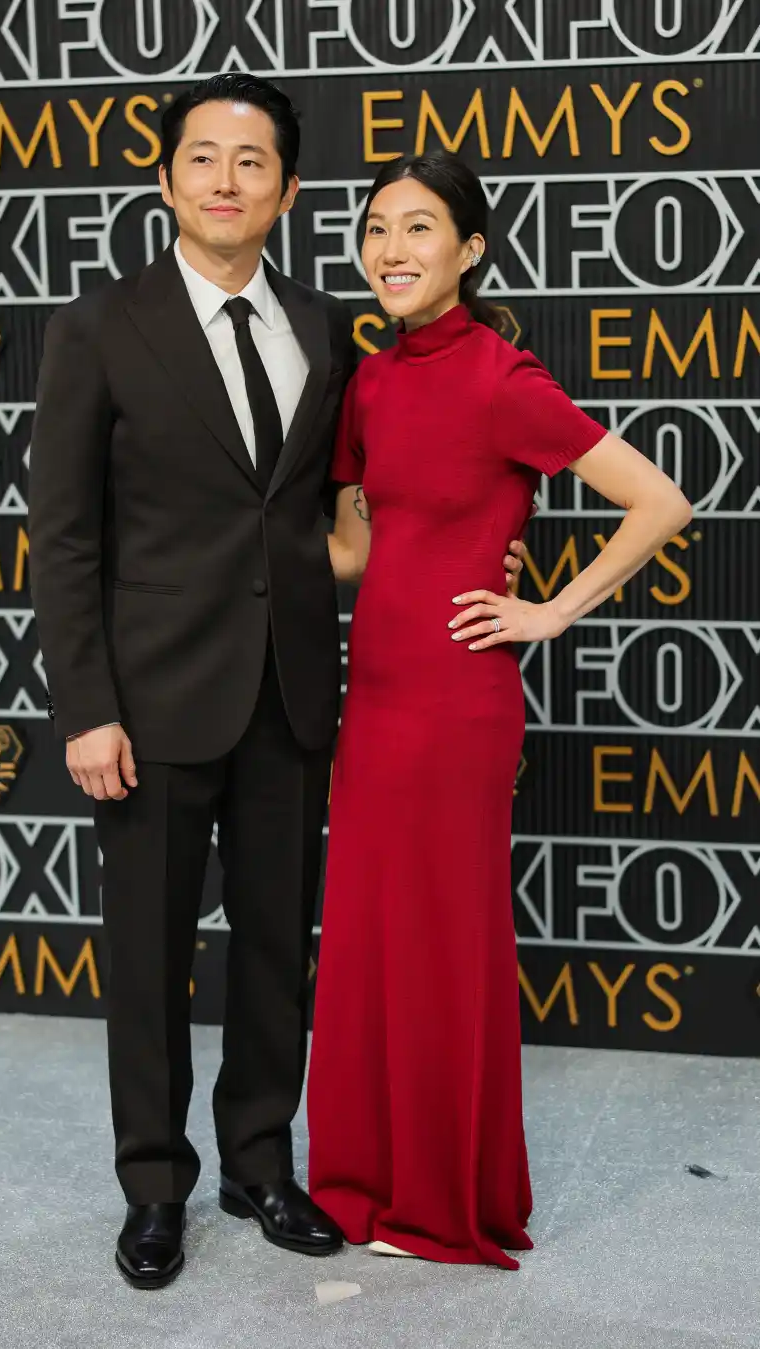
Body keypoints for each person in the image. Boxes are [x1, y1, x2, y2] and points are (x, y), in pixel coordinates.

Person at [28, 76, 527, 1289]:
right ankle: (155, 1182)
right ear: (166, 179)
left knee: (271, 951)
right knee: (147, 953)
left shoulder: (326, 326)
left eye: (252, 164)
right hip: (147, 701)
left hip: (294, 693)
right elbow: (64, 535)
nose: (225, 181)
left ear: (287, 191)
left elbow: (362, 506)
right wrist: (85, 702)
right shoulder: (100, 324)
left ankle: (261, 1158)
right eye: (202, 158)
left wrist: (491, 554)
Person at [307, 151, 692, 1268]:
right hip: (371, 694)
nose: (391, 249)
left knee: (437, 944)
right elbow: (357, 549)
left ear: (468, 250)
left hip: (454, 701)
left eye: (418, 228)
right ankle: (361, 1181)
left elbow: (658, 500)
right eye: (376, 228)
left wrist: (548, 610)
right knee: (370, 943)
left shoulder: (497, 376)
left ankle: (439, 1202)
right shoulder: (370, 380)